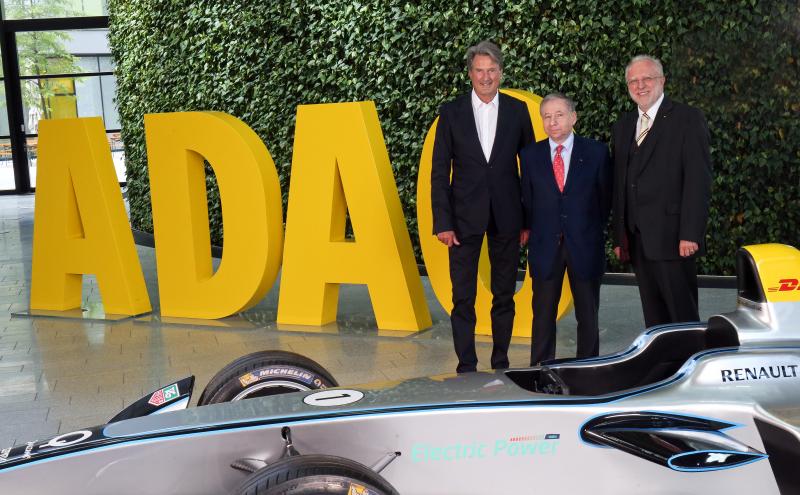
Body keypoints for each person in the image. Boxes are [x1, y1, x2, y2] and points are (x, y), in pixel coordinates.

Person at [431, 40, 533, 373]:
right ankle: (466, 365)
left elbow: (530, 169)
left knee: (504, 294)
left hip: (508, 217)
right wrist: (443, 222)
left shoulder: (518, 111)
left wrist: (528, 219)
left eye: (491, 70)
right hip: (462, 220)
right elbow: (439, 171)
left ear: (500, 72)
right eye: (479, 70)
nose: (485, 77)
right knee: (462, 297)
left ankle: (501, 362)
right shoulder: (451, 112)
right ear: (470, 73)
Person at [611, 55, 712, 327]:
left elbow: (698, 180)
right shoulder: (623, 126)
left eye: (647, 78)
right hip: (638, 240)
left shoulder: (687, 118)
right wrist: (620, 236)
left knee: (682, 315)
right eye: (633, 81)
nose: (640, 85)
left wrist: (690, 233)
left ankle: (690, 356)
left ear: (662, 80)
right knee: (654, 317)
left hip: (674, 238)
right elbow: (620, 184)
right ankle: (663, 356)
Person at [520, 93, 612, 365]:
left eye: (559, 115)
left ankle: (588, 368)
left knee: (588, 314)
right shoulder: (530, 155)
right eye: (547, 116)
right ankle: (540, 368)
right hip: (545, 247)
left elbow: (605, 200)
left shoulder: (596, 152)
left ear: (573, 117)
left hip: (585, 244)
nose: (553, 122)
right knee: (542, 314)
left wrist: (587, 229)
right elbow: (528, 200)